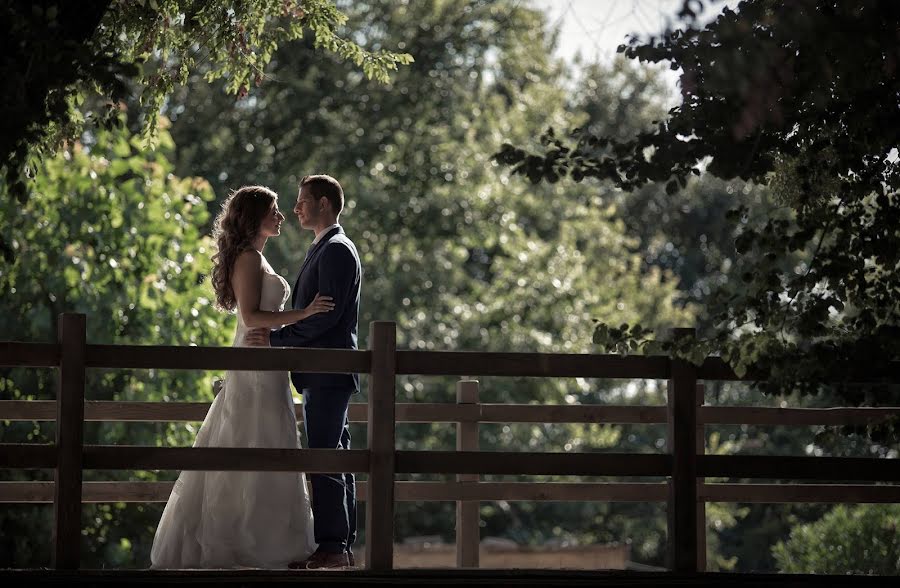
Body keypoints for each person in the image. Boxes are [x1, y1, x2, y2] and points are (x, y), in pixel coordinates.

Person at [150, 185, 333, 569]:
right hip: (253, 361)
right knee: (248, 435)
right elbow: (251, 319)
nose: (281, 216)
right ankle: (237, 540)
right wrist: (306, 313)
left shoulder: (256, 257)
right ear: (255, 216)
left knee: (268, 437)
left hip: (268, 363)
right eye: (274, 210)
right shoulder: (248, 259)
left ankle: (265, 538)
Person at [244, 174, 361, 570]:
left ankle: (333, 546)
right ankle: (339, 544)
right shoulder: (324, 248)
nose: (296, 209)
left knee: (325, 456)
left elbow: (324, 318)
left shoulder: (337, 251)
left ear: (324, 204)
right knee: (334, 455)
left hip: (328, 368)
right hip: (322, 370)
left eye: (303, 201)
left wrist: (277, 339)